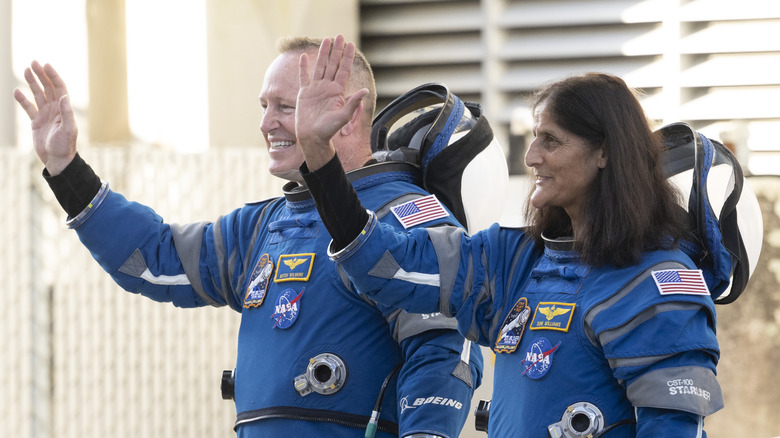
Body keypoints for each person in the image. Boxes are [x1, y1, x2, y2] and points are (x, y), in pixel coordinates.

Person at [14, 35, 482, 438]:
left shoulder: (402, 216)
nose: (266, 124)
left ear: (348, 113)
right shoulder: (265, 226)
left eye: (286, 106)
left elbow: (445, 346)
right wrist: (66, 169)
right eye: (264, 107)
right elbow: (153, 261)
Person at [295, 36, 723, 437]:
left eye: (551, 141)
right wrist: (320, 154)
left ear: (606, 153)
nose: (531, 156)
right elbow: (388, 266)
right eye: (534, 136)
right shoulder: (514, 259)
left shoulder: (658, 284)